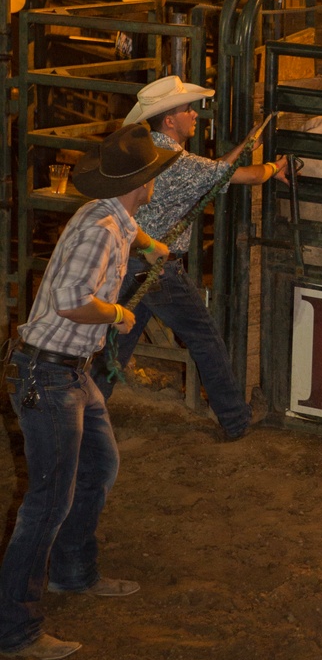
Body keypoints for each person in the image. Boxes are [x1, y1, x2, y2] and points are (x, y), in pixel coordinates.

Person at [0, 124, 175, 660]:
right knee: (47, 502)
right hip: (50, 376)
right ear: (142, 184)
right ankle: (14, 627)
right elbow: (74, 303)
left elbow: (131, 235)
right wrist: (121, 314)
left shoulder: (108, 216)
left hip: (66, 372)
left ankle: (73, 571)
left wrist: (151, 244)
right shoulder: (102, 227)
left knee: (98, 468)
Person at [91, 76, 288, 441]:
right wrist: (278, 168)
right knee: (204, 336)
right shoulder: (177, 161)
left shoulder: (150, 150)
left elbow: (210, 175)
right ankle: (234, 418)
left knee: (118, 340)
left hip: (131, 261)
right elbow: (244, 176)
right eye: (187, 109)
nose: (194, 114)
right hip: (157, 268)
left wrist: (245, 145)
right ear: (170, 119)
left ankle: (84, 411)